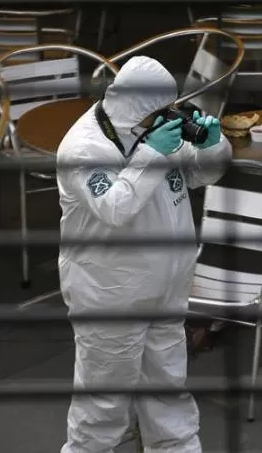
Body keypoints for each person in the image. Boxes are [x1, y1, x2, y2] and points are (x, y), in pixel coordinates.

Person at [56, 55, 231, 453]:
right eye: (157, 113)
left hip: (166, 288)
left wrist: (213, 145)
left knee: (168, 390)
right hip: (110, 295)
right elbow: (115, 208)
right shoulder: (83, 148)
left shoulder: (156, 129)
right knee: (102, 405)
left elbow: (202, 174)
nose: (166, 118)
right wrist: (152, 153)